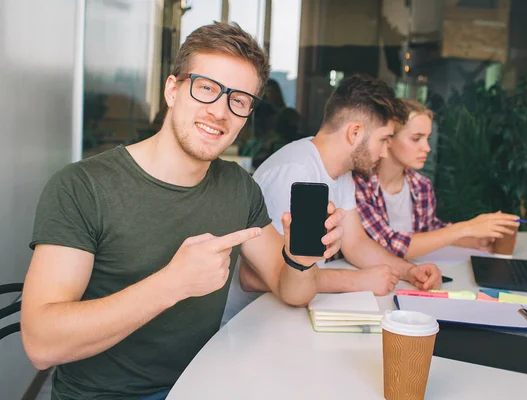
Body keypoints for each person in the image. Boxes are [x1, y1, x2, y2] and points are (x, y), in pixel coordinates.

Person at [21, 22, 344, 400]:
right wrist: (172, 283)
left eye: (238, 100)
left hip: (203, 385)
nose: (220, 111)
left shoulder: (239, 188)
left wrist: (300, 259)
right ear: (172, 90)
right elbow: (41, 344)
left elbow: (291, 291)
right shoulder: (82, 187)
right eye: (206, 88)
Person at [224, 75, 442, 320]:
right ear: (355, 132)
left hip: (294, 312)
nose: (384, 152)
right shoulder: (295, 174)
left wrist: (409, 271)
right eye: (383, 140)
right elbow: (253, 277)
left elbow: (356, 244)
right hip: (252, 322)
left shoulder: (341, 171)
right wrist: (356, 281)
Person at [354, 99, 520, 259]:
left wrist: (475, 239)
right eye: (416, 138)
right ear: (388, 138)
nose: (427, 148)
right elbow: (387, 245)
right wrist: (467, 228)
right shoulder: (359, 185)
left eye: (428, 138)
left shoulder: (421, 186)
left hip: (409, 274)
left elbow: (430, 230)